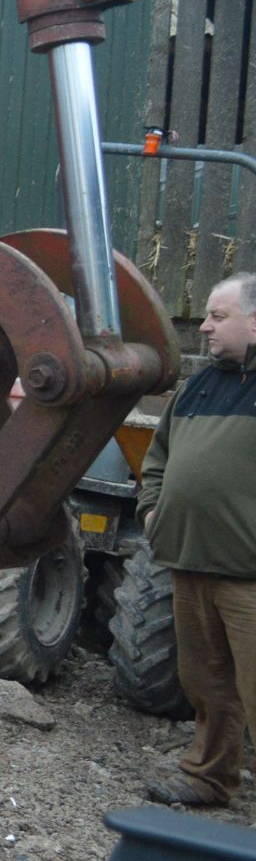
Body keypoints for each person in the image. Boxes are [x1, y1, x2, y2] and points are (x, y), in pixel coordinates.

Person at [139, 271, 256, 807]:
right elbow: (159, 458)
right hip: (190, 563)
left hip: (247, 575)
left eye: (218, 316)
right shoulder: (199, 385)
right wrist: (150, 511)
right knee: (206, 685)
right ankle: (209, 778)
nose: (204, 327)